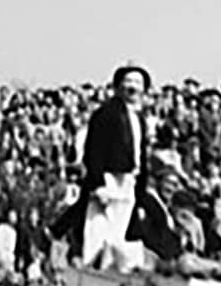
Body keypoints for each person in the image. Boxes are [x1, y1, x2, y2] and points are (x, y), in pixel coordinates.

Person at [52, 63, 152, 270]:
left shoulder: (140, 119)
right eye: (128, 83)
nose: (133, 88)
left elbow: (141, 154)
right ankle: (92, 271)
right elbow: (94, 150)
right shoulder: (106, 114)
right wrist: (98, 184)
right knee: (98, 230)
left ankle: (113, 273)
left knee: (119, 234)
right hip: (108, 178)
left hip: (128, 181)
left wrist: (140, 188)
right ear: (118, 87)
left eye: (138, 84)